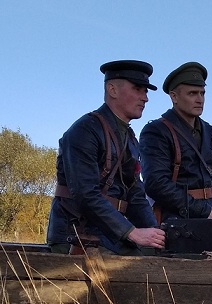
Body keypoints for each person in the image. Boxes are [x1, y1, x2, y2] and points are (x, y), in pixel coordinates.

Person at [47, 60, 166, 255]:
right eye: (138, 89)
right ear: (112, 89)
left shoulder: (129, 138)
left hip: (108, 235)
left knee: (158, 257)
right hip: (77, 235)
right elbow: (85, 194)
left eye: (145, 92)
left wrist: (157, 233)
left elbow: (135, 193)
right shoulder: (85, 130)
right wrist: (131, 232)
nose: (145, 98)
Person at [139, 62, 212, 223]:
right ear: (174, 97)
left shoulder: (210, 131)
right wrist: (202, 210)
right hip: (177, 221)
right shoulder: (156, 131)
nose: (200, 99)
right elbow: (156, 184)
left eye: (202, 93)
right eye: (192, 93)